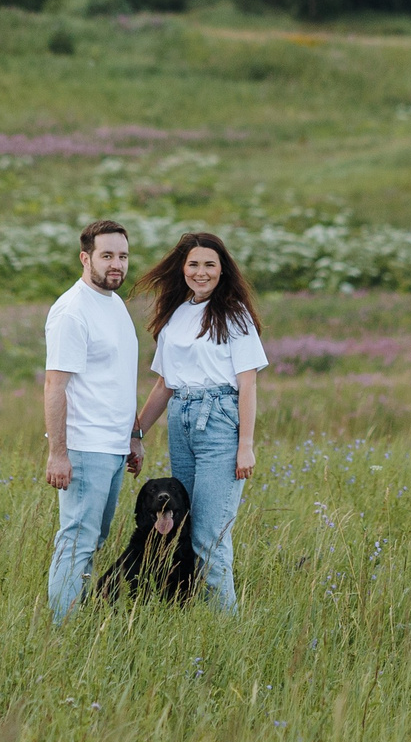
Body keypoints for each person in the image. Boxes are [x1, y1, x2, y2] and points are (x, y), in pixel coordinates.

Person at [130, 231, 266, 612]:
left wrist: (246, 446)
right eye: (194, 264)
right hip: (182, 421)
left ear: (223, 270)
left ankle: (225, 628)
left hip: (220, 422)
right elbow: (165, 384)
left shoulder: (234, 314)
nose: (201, 272)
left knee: (210, 535)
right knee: (184, 528)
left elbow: (248, 384)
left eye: (210, 264)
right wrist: (136, 433)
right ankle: (188, 614)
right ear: (183, 268)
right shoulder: (176, 314)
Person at [42, 219, 137, 621]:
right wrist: (58, 453)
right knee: (77, 542)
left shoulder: (114, 304)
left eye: (123, 256)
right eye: (107, 256)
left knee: (93, 541)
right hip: (85, 448)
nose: (116, 264)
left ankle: (76, 616)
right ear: (86, 258)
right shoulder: (71, 311)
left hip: (114, 447)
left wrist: (133, 437)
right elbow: (54, 386)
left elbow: (119, 378)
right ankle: (62, 633)